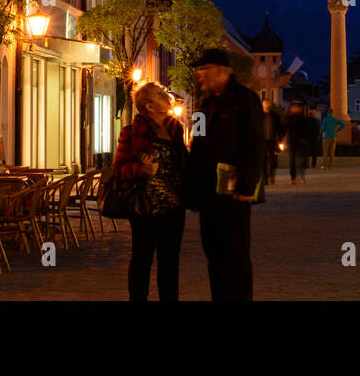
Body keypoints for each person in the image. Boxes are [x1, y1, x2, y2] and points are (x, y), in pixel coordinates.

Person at [186, 48, 264, 302]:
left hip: (234, 193)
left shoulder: (245, 100)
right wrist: (194, 194)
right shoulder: (204, 105)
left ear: (221, 72)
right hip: (209, 194)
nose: (199, 77)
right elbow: (197, 148)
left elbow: (255, 145)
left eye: (203, 70)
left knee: (236, 256)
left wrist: (246, 186)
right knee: (214, 255)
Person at [112, 81, 188, 301]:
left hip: (173, 207)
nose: (166, 95)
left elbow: (182, 165)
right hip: (144, 207)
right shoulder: (131, 133)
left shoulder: (175, 129)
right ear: (150, 106)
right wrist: (141, 169)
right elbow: (118, 170)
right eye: (159, 94)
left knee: (170, 261)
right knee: (142, 260)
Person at [284, 102, 313, 184]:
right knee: (292, 160)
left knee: (302, 160)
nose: (296, 109)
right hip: (292, 141)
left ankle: (301, 175)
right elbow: (284, 128)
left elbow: (307, 130)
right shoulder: (289, 118)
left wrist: (306, 139)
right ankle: (293, 178)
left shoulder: (303, 118)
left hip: (301, 141)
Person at [261, 99, 283, 185]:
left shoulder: (275, 115)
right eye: (265, 103)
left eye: (268, 103)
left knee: (271, 159)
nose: (267, 104)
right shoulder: (259, 115)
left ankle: (271, 176)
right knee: (263, 160)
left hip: (271, 140)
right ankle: (265, 178)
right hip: (262, 141)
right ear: (262, 104)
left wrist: (280, 139)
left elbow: (279, 128)